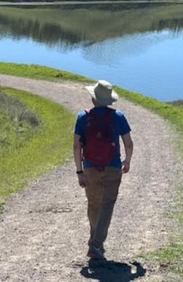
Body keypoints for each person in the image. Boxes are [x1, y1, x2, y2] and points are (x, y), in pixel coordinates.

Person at [73, 80, 133, 261]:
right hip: (113, 167)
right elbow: (128, 143)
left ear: (93, 99)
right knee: (107, 206)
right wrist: (127, 161)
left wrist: (79, 171)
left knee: (93, 204)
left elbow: (76, 146)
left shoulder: (82, 117)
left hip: (90, 168)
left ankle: (95, 242)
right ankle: (96, 245)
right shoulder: (119, 116)